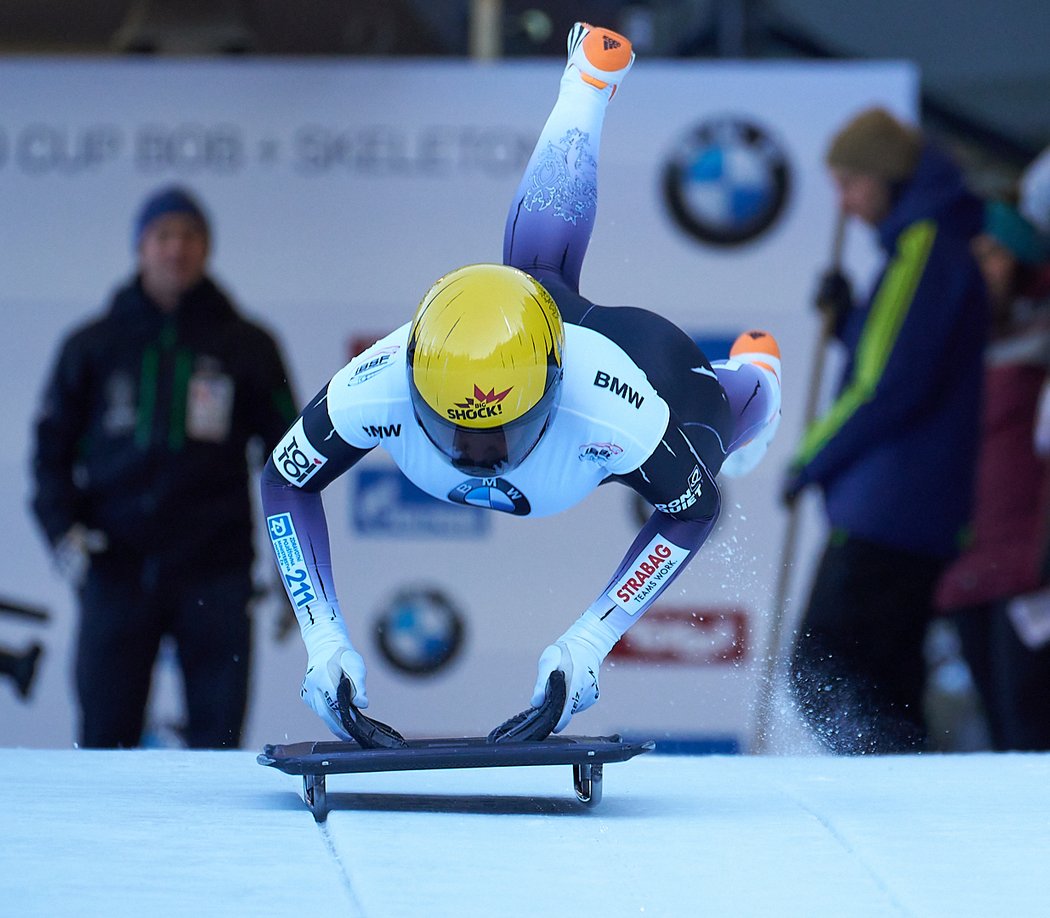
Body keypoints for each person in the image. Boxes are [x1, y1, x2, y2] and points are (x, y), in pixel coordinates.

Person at [260, 22, 784, 746]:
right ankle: (586, 84)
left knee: (717, 429)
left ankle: (756, 370)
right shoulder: (373, 382)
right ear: (415, 387)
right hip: (552, 370)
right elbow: (286, 480)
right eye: (454, 426)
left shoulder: (614, 406)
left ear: (551, 392)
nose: (478, 450)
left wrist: (589, 642)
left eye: (500, 427)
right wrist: (325, 643)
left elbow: (692, 512)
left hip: (630, 354)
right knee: (530, 274)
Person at [31, 186, 297, 749]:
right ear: (141, 248)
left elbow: (289, 462)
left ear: (207, 249)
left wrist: (291, 570)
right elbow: (50, 451)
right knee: (103, 741)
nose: (177, 249)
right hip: (115, 569)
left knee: (219, 744)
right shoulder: (94, 344)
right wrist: (63, 534)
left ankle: (216, 842)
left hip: (216, 571)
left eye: (190, 236)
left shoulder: (247, 345)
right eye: (164, 236)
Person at [784, 107, 989, 754]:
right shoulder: (936, 250)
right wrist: (849, 319)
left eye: (850, 185)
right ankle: (905, 800)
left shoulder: (923, 251)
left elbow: (887, 386)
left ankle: (888, 787)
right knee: (886, 680)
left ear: (886, 177)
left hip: (890, 508)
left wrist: (810, 459)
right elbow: (906, 357)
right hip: (922, 506)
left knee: (823, 669)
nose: (844, 205)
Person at [935, 199, 1050, 751]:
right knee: (1002, 731)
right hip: (969, 565)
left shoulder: (1042, 337)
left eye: (996, 254)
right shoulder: (961, 341)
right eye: (974, 255)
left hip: (1031, 565)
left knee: (1030, 725)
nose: (983, 268)